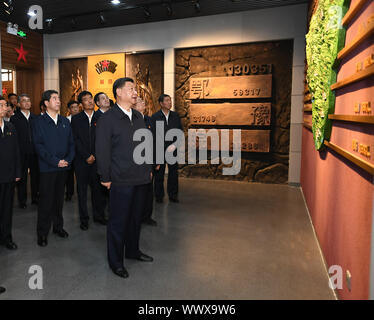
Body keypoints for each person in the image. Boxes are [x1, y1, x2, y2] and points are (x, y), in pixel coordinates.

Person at [96, 77, 153, 279]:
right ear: (118, 92)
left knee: (135, 219)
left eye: (135, 89)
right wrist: (105, 176)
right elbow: (102, 150)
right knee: (118, 222)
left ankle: (133, 251)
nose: (135, 92)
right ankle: (116, 262)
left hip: (140, 177)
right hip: (120, 179)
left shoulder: (138, 116)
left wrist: (148, 168)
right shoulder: (107, 119)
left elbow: (145, 145)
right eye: (131, 89)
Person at [32, 90, 75, 247]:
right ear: (46, 103)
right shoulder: (39, 122)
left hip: (63, 168)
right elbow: (39, 146)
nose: (58, 101)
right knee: (46, 201)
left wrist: (67, 161)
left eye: (59, 98)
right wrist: (55, 161)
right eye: (54, 99)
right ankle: (42, 233)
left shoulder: (65, 121)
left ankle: (58, 227)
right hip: (47, 169)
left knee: (58, 200)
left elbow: (71, 144)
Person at [71, 91, 107, 230]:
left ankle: (99, 216)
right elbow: (75, 140)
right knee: (82, 191)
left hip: (97, 161)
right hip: (81, 161)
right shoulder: (76, 119)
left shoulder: (101, 117)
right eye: (86, 100)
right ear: (81, 104)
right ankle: (84, 219)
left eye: (91, 99)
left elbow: (103, 139)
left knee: (98, 191)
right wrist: (86, 155)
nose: (90, 101)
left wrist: (95, 155)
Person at [151, 94, 183, 203]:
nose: (170, 102)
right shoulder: (155, 117)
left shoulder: (175, 116)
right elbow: (153, 135)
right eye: (167, 100)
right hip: (160, 149)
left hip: (172, 149)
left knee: (173, 173)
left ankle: (173, 195)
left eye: (170, 100)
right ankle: (159, 196)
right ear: (161, 103)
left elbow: (180, 132)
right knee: (159, 174)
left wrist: (174, 145)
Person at [10, 94, 39, 209]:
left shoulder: (35, 117)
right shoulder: (14, 118)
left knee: (35, 176)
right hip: (21, 152)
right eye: (23, 101)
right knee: (22, 177)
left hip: (34, 152)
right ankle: (22, 200)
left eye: (28, 100)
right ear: (18, 104)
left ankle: (35, 198)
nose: (27, 103)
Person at [0, 96, 21, 250]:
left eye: (5, 105)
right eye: (0, 105)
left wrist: (17, 171)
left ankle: (6, 238)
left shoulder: (11, 127)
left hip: (8, 176)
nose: (4, 108)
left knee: (7, 209)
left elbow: (16, 152)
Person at [133, 97, 157, 226]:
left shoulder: (149, 120)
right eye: (140, 102)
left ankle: (147, 216)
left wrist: (156, 161)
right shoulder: (132, 121)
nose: (143, 103)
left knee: (148, 191)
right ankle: (136, 216)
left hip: (149, 161)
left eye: (143, 101)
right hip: (136, 162)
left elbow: (155, 142)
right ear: (134, 106)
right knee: (137, 192)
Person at [65, 100, 80, 201]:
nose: (75, 109)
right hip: (69, 151)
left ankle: (80, 193)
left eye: (77, 107)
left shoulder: (81, 119)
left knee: (80, 174)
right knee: (69, 174)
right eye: (73, 107)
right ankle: (69, 193)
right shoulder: (66, 120)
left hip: (79, 152)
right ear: (69, 110)